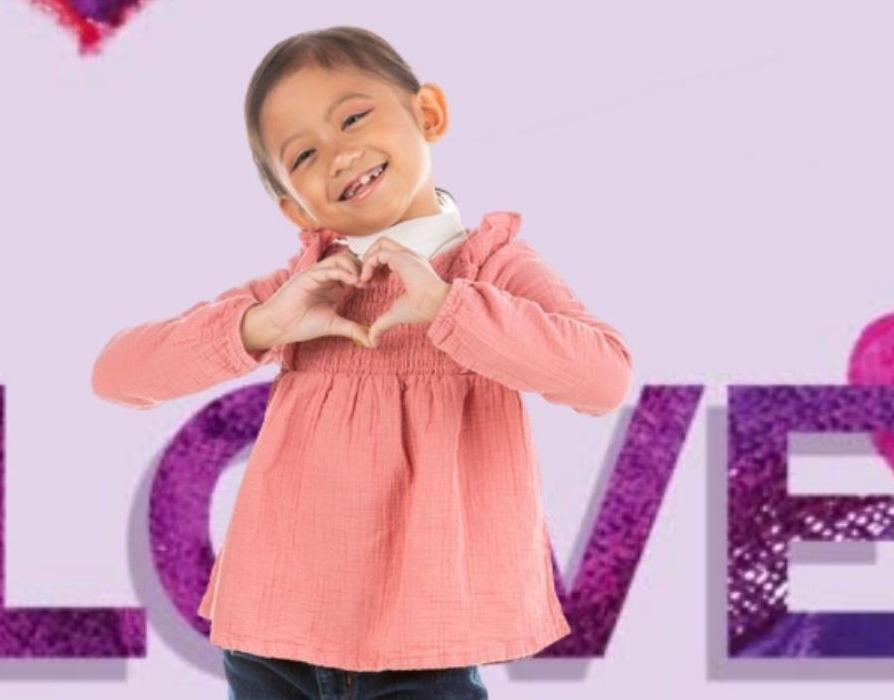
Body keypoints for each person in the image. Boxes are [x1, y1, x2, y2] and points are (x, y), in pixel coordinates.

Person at [91, 25, 634, 699]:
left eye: (353, 116)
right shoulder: (303, 286)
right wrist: (263, 325)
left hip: (420, 650)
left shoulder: (490, 270)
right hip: (268, 639)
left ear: (427, 114)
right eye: (306, 154)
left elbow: (604, 378)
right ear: (296, 204)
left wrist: (448, 309)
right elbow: (116, 374)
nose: (341, 154)